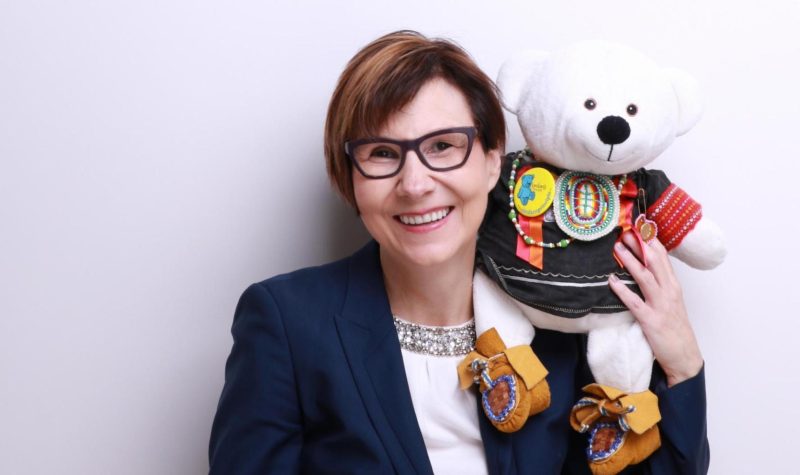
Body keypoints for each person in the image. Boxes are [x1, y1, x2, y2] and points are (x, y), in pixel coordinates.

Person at [208, 30, 709, 474]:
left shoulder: (560, 314)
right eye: (381, 153)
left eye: (444, 146)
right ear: (350, 178)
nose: (415, 183)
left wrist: (682, 361)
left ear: (494, 162)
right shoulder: (287, 321)